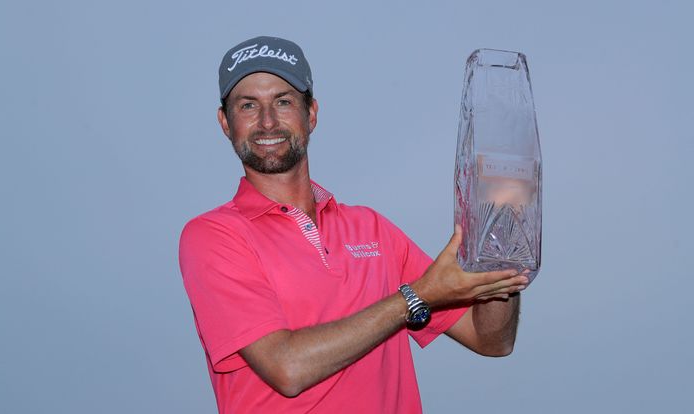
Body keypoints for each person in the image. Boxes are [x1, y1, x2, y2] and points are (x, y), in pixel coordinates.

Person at [179, 35, 529, 414]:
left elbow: (491, 340)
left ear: (310, 113)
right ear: (225, 123)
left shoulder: (371, 229)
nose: (267, 122)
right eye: (248, 105)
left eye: (283, 101)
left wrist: (497, 254)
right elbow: (287, 367)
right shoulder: (214, 236)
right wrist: (417, 297)